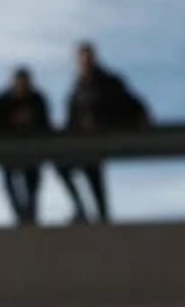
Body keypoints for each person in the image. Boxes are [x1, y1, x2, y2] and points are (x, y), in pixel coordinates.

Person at [61, 41, 150, 224]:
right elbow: (71, 118)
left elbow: (133, 103)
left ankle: (102, 216)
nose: (86, 62)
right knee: (66, 164)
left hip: (106, 135)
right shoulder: (77, 88)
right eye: (82, 59)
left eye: (88, 58)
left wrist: (141, 120)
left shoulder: (109, 82)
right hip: (82, 141)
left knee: (93, 172)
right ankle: (84, 209)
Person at [0, 67, 52, 226]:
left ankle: (31, 215)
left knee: (33, 184)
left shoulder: (37, 99)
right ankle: (20, 215)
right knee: (9, 182)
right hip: (7, 151)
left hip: (32, 150)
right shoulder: (2, 100)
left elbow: (45, 124)